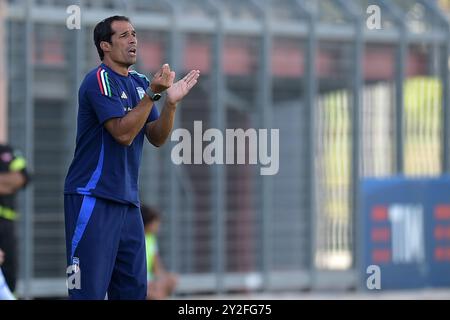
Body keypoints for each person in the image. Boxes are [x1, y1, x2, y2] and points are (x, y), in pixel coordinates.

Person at [63, 15, 200, 300]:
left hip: (127, 202)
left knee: (133, 292)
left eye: (134, 33)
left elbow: (156, 137)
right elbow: (122, 134)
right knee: (87, 292)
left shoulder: (139, 82)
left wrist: (170, 104)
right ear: (105, 46)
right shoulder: (98, 80)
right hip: (92, 197)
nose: (133, 39)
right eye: (124, 35)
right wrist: (152, 94)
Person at [0, 143, 28, 294]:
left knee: (9, 270)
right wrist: (6, 182)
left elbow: (22, 177)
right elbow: (10, 182)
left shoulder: (7, 151)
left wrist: (10, 182)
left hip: (6, 224)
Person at [141, 205, 177, 300]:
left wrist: (159, 280)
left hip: (150, 279)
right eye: (156, 222)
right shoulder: (138, 239)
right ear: (148, 223)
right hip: (141, 280)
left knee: (171, 280)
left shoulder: (151, 238)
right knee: (156, 295)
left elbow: (157, 265)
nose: (158, 225)